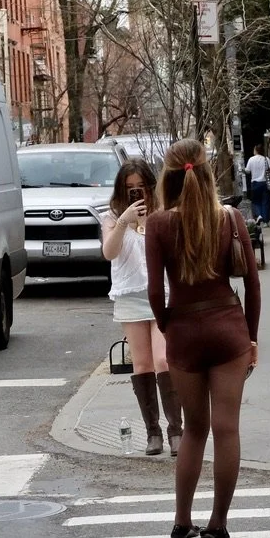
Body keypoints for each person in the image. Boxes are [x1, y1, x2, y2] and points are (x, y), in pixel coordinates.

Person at [146, 139, 261, 538]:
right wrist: (251, 337)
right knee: (227, 429)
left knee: (195, 430)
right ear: (208, 173)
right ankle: (218, 523)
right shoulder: (230, 217)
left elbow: (154, 293)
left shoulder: (158, 224)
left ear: (169, 176)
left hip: (184, 333)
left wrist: (167, 327)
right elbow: (251, 283)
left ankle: (181, 520)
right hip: (228, 330)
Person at [100, 158, 182, 457]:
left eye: (141, 188)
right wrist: (124, 220)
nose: (137, 194)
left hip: (162, 293)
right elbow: (109, 252)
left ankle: (176, 430)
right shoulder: (110, 218)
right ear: (121, 190)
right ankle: (153, 433)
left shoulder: (162, 214)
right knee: (143, 364)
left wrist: (149, 223)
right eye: (129, 188)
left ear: (151, 187)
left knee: (163, 360)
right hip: (130, 295)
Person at [245, 145, 270, 224]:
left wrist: (242, 170)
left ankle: (259, 215)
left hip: (255, 183)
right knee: (265, 202)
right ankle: (266, 221)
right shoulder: (265, 159)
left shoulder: (251, 159)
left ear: (256, 150)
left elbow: (247, 171)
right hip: (265, 183)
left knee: (256, 201)